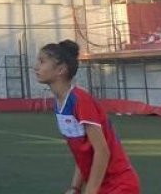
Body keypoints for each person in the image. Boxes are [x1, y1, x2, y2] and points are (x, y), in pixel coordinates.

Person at [35, 39, 140, 194]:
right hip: (101, 186)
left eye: (42, 61)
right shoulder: (59, 104)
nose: (35, 67)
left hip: (119, 186)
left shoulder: (80, 100)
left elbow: (102, 151)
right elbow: (84, 152)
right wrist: (75, 187)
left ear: (60, 70)